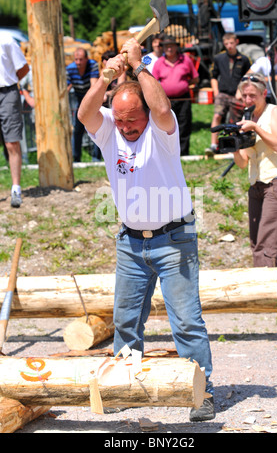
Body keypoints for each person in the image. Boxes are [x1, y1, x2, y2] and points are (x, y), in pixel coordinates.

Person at [78, 38, 214, 422]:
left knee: (186, 321)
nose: (126, 127)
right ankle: (123, 387)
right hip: (131, 242)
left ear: (145, 114)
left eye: (132, 119)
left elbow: (162, 105)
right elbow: (85, 113)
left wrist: (138, 66)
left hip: (175, 238)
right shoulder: (109, 131)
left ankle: (202, 392)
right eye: (119, 120)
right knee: (125, 320)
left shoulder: (161, 129)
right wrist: (103, 78)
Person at [233, 73, 277, 290]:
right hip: (256, 185)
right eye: (245, 96)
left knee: (267, 243)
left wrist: (256, 128)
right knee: (258, 241)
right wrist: (234, 146)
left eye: (252, 95)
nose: (248, 100)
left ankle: (264, 291)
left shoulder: (274, 112)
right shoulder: (248, 117)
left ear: (263, 94)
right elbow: (242, 163)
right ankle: (276, 293)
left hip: (276, 182)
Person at [152, 35, 199, 156]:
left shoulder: (186, 60)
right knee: (167, 126)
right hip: (166, 100)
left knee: (184, 124)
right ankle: (168, 153)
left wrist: (183, 84)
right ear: (163, 48)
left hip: (183, 98)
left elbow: (195, 78)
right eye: (167, 46)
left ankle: (183, 152)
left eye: (172, 46)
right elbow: (154, 82)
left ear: (176, 47)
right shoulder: (159, 63)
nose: (169, 48)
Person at [208, 32, 251, 155]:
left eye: (231, 43)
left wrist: (242, 92)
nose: (229, 46)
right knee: (217, 116)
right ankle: (213, 145)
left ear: (236, 42)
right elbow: (213, 76)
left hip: (237, 94)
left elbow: (248, 76)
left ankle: (232, 145)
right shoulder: (219, 58)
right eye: (226, 43)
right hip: (222, 93)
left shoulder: (244, 59)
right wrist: (216, 91)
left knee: (234, 121)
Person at [0, 33, 29, 208]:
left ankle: (16, 189)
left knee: (12, 142)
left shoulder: (6, 39)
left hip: (7, 92)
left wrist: (10, 80)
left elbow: (24, 68)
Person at [66, 47, 99, 162]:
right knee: (78, 129)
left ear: (86, 59)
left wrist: (89, 105)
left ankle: (96, 157)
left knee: (95, 128)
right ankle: (76, 158)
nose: (78, 62)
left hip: (92, 98)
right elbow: (66, 87)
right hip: (79, 98)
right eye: (76, 60)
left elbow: (94, 86)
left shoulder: (93, 65)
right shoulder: (70, 69)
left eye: (81, 59)